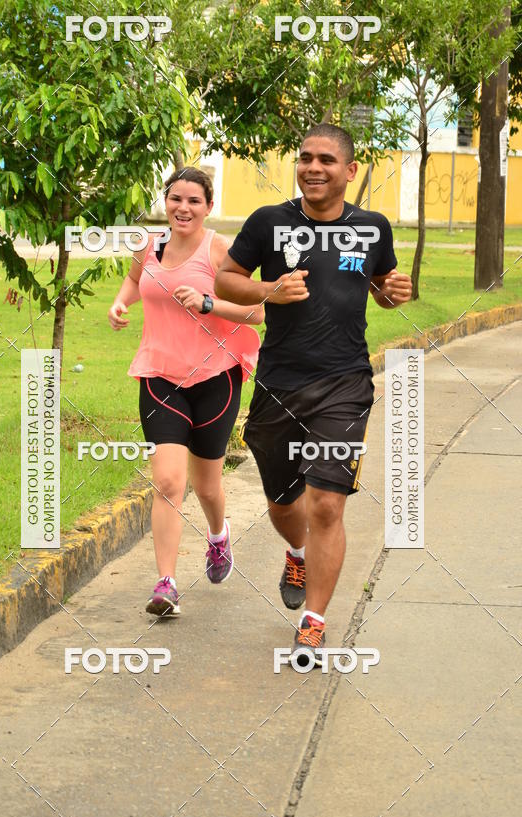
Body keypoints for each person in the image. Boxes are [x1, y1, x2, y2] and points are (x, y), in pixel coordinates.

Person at [214, 123, 412, 665]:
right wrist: (269, 290)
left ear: (350, 171)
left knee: (326, 503)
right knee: (284, 504)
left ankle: (314, 621)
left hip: (345, 384)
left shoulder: (371, 228)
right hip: (279, 384)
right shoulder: (269, 222)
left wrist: (394, 292)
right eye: (305, 158)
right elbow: (226, 279)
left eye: (326, 159)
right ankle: (296, 553)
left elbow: (383, 288)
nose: (313, 167)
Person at [108, 167, 263, 617]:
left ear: (209, 207)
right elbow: (135, 281)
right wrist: (120, 303)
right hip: (160, 375)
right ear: (166, 201)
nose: (183, 208)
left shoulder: (219, 251)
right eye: (176, 198)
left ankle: (218, 535)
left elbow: (258, 312)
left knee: (207, 485)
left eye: (194, 201)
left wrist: (208, 303)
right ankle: (166, 583)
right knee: (168, 481)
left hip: (216, 377)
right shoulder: (148, 245)